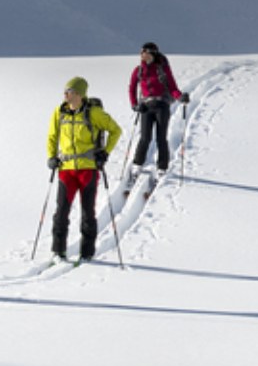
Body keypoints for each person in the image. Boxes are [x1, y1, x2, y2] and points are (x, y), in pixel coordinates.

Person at [46, 77, 122, 262]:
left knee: (88, 211)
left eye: (69, 91)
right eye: (65, 91)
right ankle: (58, 251)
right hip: (66, 169)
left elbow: (115, 130)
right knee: (61, 210)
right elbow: (52, 136)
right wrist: (51, 157)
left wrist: (105, 152)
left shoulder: (93, 113)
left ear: (79, 94)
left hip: (88, 169)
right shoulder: (59, 112)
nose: (65, 95)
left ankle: (87, 252)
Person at [126, 42, 189, 175]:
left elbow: (172, 87)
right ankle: (137, 164)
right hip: (146, 107)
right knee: (145, 137)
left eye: (146, 53)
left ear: (153, 54)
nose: (143, 55)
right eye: (142, 53)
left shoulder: (162, 68)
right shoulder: (138, 70)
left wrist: (180, 97)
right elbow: (132, 88)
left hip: (162, 105)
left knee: (161, 138)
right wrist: (134, 104)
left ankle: (162, 167)